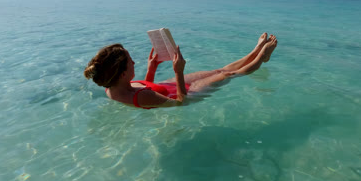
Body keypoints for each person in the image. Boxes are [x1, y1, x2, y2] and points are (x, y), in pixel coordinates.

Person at [84, 33, 277, 109]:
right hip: (183, 92)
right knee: (228, 75)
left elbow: (142, 85)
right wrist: (178, 71)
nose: (135, 62)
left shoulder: (113, 86)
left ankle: (255, 51)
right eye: (130, 61)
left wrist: (152, 67)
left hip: (168, 85)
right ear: (123, 73)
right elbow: (180, 103)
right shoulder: (143, 99)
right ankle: (261, 57)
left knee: (218, 69)